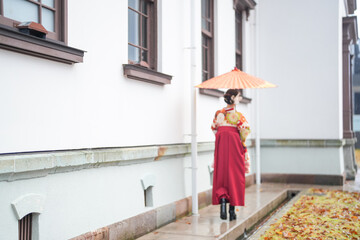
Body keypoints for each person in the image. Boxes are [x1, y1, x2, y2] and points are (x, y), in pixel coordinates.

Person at [211, 89, 250, 221]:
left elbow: (213, 128)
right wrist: (242, 142)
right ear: (233, 98)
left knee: (221, 173)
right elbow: (245, 130)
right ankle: (232, 211)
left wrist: (223, 134)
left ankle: (222, 200)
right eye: (239, 96)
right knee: (234, 174)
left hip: (221, 144)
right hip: (234, 144)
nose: (240, 99)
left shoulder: (218, 114)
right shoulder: (238, 116)